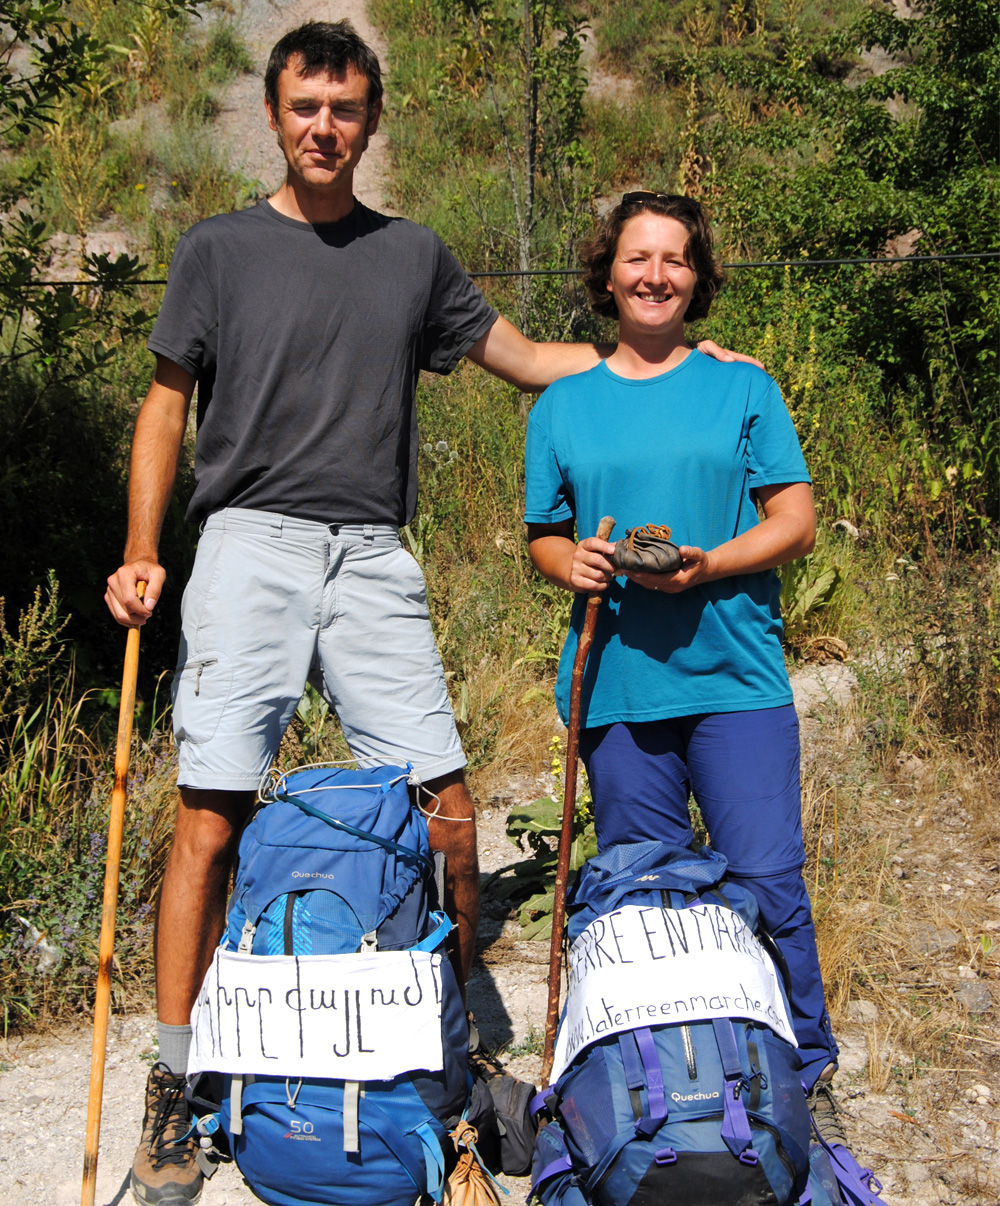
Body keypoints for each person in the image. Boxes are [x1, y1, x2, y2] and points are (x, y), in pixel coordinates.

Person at [105, 24, 751, 1204]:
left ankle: (443, 1075)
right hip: (246, 543)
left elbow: (522, 359)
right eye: (304, 106)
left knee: (448, 815)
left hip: (370, 556)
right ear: (272, 111)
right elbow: (164, 406)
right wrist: (144, 550)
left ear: (370, 119)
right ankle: (177, 1087)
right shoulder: (217, 249)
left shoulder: (412, 255)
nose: (322, 127)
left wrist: (659, 356)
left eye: (343, 109)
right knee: (209, 814)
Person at [524, 192, 842, 1138]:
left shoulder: (742, 386)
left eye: (674, 259)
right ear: (607, 273)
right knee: (647, 903)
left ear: (697, 277)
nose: (655, 275)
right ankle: (671, 1090)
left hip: (736, 676)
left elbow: (795, 520)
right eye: (637, 258)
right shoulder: (563, 404)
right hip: (618, 681)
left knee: (766, 884)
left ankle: (801, 1078)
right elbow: (545, 535)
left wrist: (711, 562)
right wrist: (572, 559)